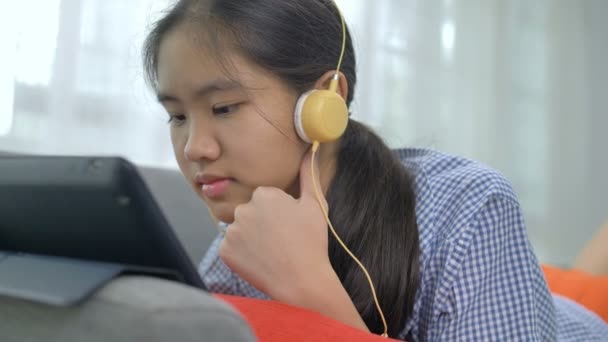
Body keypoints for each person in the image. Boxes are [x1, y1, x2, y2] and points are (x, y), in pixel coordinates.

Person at [142, 0, 608, 340]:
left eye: (223, 107)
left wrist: (310, 291)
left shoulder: (467, 207)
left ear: (325, 100)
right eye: (177, 116)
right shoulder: (238, 243)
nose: (195, 148)